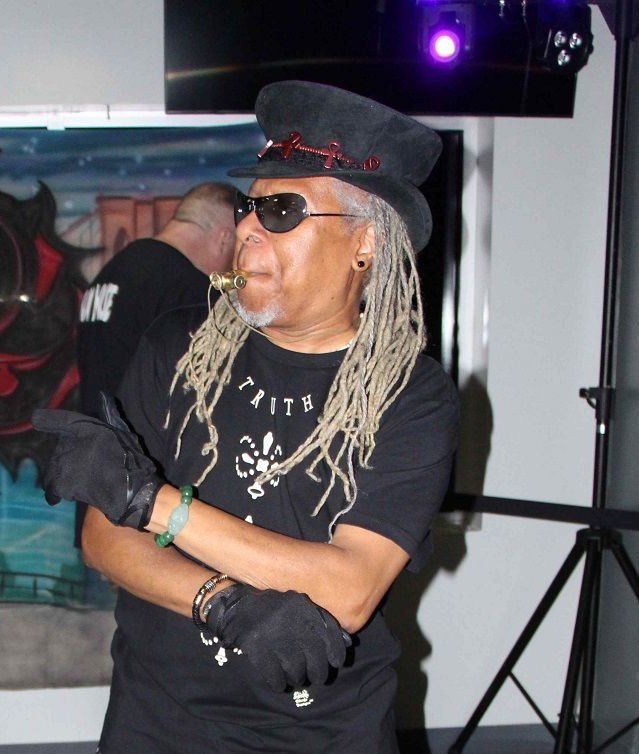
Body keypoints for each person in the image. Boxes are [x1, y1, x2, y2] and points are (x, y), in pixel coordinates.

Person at [32, 81, 460, 753]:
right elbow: (104, 538)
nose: (247, 229)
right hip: (159, 723)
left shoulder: (410, 394)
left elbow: (348, 588)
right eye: (247, 207)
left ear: (366, 242)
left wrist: (152, 502)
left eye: (281, 210)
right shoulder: (176, 346)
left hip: (323, 734)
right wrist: (222, 601)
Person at [76, 181, 237, 419]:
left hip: (95, 432)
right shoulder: (189, 290)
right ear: (224, 238)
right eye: (236, 250)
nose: (232, 266)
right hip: (145, 438)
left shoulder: (113, 270)